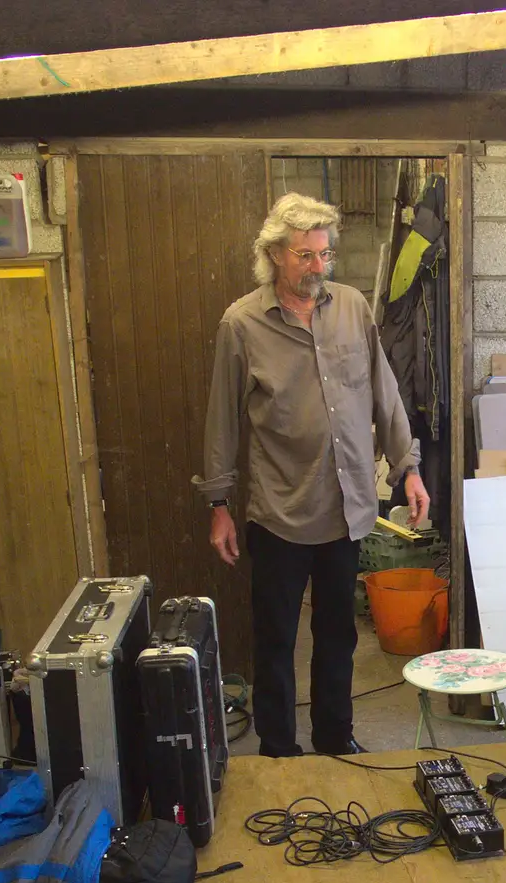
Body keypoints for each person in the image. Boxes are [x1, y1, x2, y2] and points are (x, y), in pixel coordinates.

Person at [196, 193, 428, 758]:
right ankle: (278, 746)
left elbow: (385, 394)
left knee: (338, 638)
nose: (318, 267)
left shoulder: (351, 308)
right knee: (275, 641)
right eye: (305, 255)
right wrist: (218, 504)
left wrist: (409, 469)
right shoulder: (242, 323)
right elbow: (222, 418)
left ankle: (334, 737)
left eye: (324, 254)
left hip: (346, 509)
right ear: (275, 253)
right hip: (279, 513)